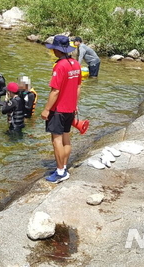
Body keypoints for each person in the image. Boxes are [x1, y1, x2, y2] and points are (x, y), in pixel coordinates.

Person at [41, 35, 82, 183]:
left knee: (56, 140)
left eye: (54, 50)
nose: (53, 52)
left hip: (58, 109)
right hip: (70, 108)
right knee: (66, 138)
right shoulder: (75, 64)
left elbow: (55, 91)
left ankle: (60, 173)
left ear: (58, 50)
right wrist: (75, 103)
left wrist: (46, 109)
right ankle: (63, 167)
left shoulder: (60, 66)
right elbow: (78, 86)